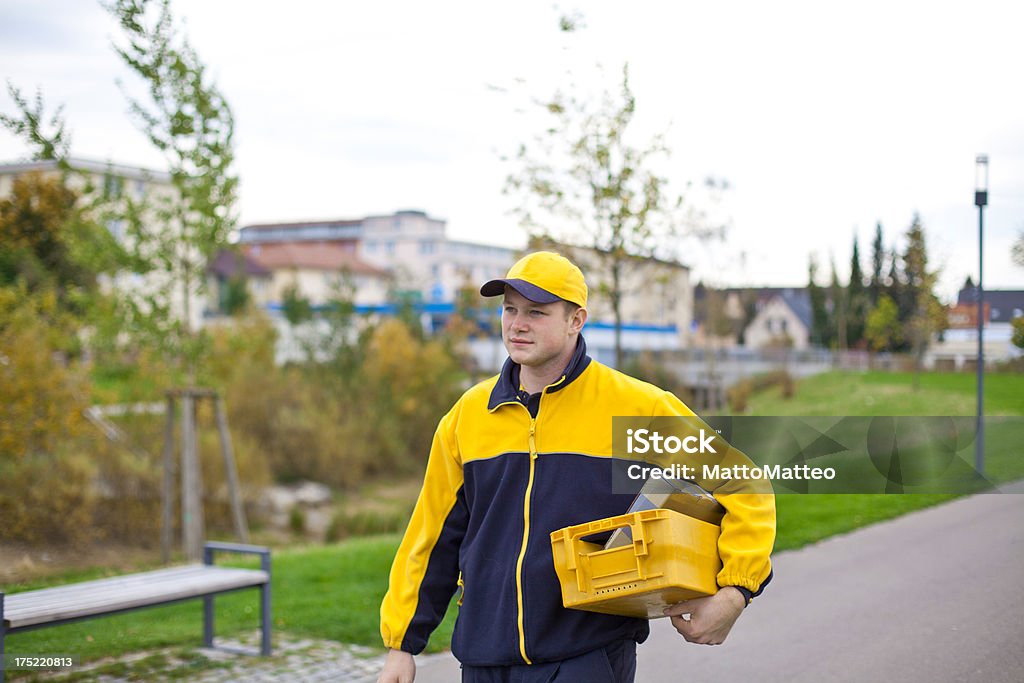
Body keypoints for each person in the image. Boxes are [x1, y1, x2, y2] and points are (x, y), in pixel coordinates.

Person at [378, 251, 775, 683]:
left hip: (587, 656)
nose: (517, 324)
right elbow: (432, 535)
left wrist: (735, 591)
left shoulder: (636, 408)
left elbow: (744, 484)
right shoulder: (467, 416)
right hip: (484, 660)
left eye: (536, 312)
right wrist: (402, 644)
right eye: (509, 309)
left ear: (576, 320)